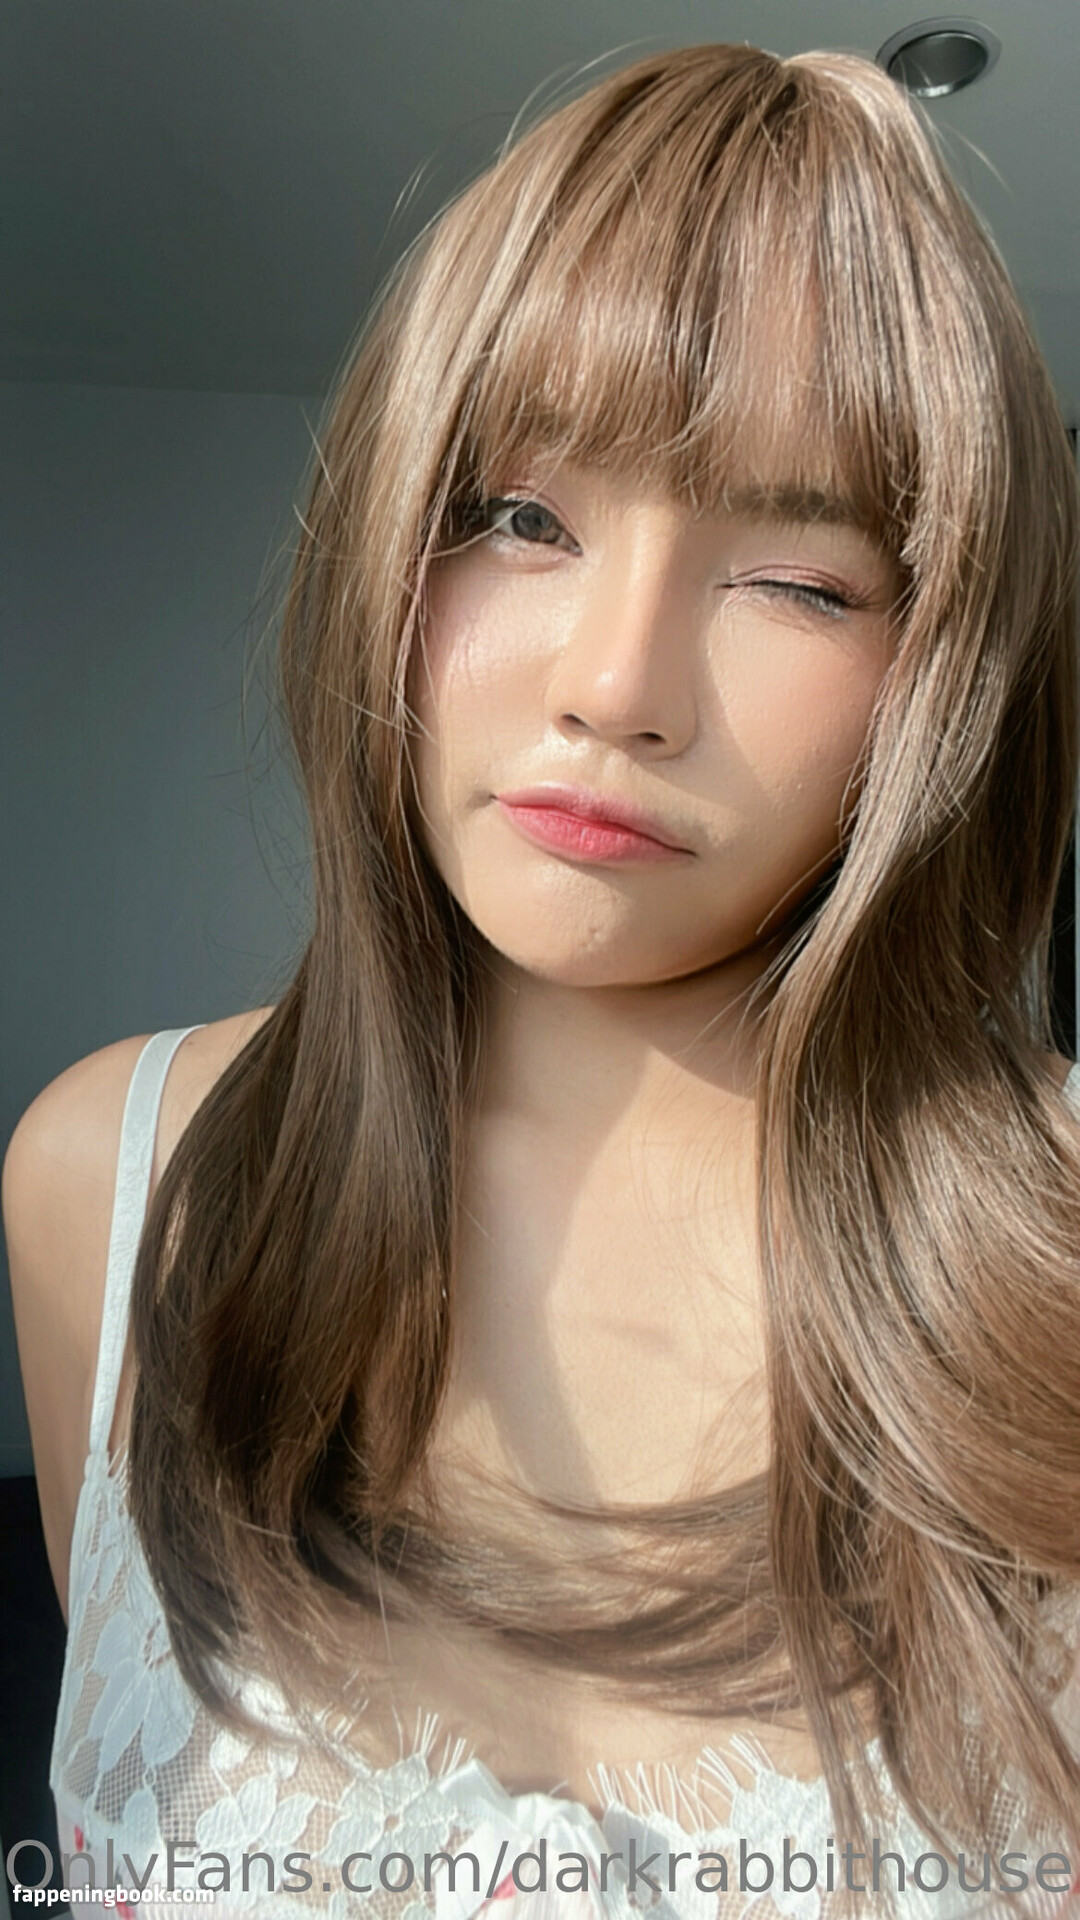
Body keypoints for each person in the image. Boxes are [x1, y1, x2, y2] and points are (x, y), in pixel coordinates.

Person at [5, 37, 1080, 1920]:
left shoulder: (1052, 1250)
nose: (616, 683)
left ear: (938, 663)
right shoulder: (110, 1182)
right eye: (521, 516)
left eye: (802, 580)